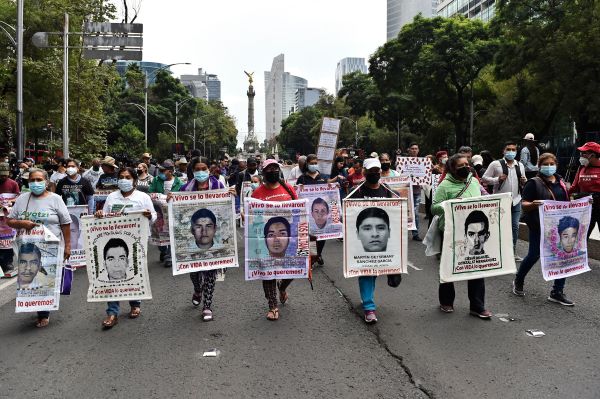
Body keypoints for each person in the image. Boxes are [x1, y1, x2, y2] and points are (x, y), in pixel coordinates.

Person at [171, 157, 236, 322]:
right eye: (197, 169)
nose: (201, 172)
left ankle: (207, 305)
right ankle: (197, 289)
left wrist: (230, 195)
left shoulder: (219, 186)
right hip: (194, 239)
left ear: (209, 169)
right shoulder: (185, 188)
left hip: (212, 239)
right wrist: (171, 198)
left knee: (210, 272)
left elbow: (225, 209)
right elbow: (178, 211)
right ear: (193, 171)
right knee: (194, 273)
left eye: (204, 168)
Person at [7, 168, 71, 328]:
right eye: (32, 180)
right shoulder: (22, 199)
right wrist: (22, 223)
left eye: (38, 180)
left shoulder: (56, 199)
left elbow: (66, 223)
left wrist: (68, 245)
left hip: (51, 248)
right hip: (28, 249)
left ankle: (44, 313)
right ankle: (37, 307)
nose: (35, 183)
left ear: (46, 182)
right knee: (31, 279)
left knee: (46, 278)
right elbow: (10, 220)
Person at [94, 167, 156, 329]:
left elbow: (154, 217)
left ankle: (135, 303)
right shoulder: (112, 197)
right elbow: (104, 216)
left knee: (133, 271)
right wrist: (99, 214)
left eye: (127, 177)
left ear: (134, 180)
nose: (124, 180)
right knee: (112, 275)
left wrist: (149, 215)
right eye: (121, 177)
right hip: (114, 241)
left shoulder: (142, 197)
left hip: (137, 241)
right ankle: (112, 312)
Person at [431, 153, 491, 319]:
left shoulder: (474, 181)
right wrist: (450, 205)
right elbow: (434, 208)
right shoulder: (444, 186)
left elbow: (486, 198)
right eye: (460, 165)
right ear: (452, 169)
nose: (465, 167)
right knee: (450, 267)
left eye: (467, 164)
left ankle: (477, 306)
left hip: (474, 233)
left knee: (476, 266)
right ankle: (446, 301)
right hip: (451, 232)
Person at [346, 157, 402, 324]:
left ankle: (369, 295)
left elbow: (397, 213)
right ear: (364, 172)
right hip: (363, 243)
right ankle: (369, 307)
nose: (374, 174)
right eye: (371, 172)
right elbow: (348, 215)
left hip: (383, 240)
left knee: (376, 270)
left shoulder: (388, 191)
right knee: (367, 272)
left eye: (377, 171)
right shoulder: (356, 192)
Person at [513, 153, 574, 305]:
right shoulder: (534, 183)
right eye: (545, 164)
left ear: (556, 165)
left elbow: (567, 202)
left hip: (559, 227)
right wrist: (535, 204)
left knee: (562, 257)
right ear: (540, 166)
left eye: (551, 164)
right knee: (534, 255)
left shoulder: (561, 182)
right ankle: (518, 280)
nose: (549, 167)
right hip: (539, 226)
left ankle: (557, 291)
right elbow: (524, 205)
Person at [250, 159, 298, 321]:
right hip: (266, 240)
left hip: (287, 239)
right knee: (268, 272)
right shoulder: (257, 193)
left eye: (275, 168)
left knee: (292, 270)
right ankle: (273, 306)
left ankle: (282, 287)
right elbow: (252, 216)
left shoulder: (288, 188)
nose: (273, 171)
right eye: (269, 169)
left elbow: (299, 211)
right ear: (263, 172)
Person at [481, 141, 526, 261]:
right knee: (498, 227)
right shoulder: (496, 164)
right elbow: (484, 178)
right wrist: (497, 179)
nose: (511, 152)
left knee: (515, 227)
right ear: (503, 151)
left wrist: (523, 181)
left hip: (516, 200)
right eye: (508, 149)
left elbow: (523, 179)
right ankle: (497, 252)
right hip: (500, 201)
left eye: (513, 150)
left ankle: (512, 252)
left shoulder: (519, 165)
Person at [297, 154, 327, 266]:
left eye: (315, 163)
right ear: (307, 164)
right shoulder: (302, 178)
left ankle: (318, 254)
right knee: (310, 236)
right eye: (311, 163)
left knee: (322, 236)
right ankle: (312, 257)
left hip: (321, 212)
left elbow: (329, 193)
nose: (314, 165)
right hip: (307, 213)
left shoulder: (323, 177)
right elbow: (297, 195)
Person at [568, 141, 600, 238]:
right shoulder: (581, 168)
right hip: (585, 208)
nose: (581, 155)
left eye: (584, 153)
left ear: (593, 155)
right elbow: (574, 187)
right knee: (581, 237)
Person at [406, 143, 423, 241]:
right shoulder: (403, 162)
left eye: (416, 148)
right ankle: (402, 232)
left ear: (418, 150)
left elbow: (426, 175)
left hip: (416, 191)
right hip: (406, 191)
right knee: (405, 213)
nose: (414, 150)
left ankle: (415, 234)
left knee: (415, 213)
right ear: (409, 150)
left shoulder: (422, 162)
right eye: (412, 148)